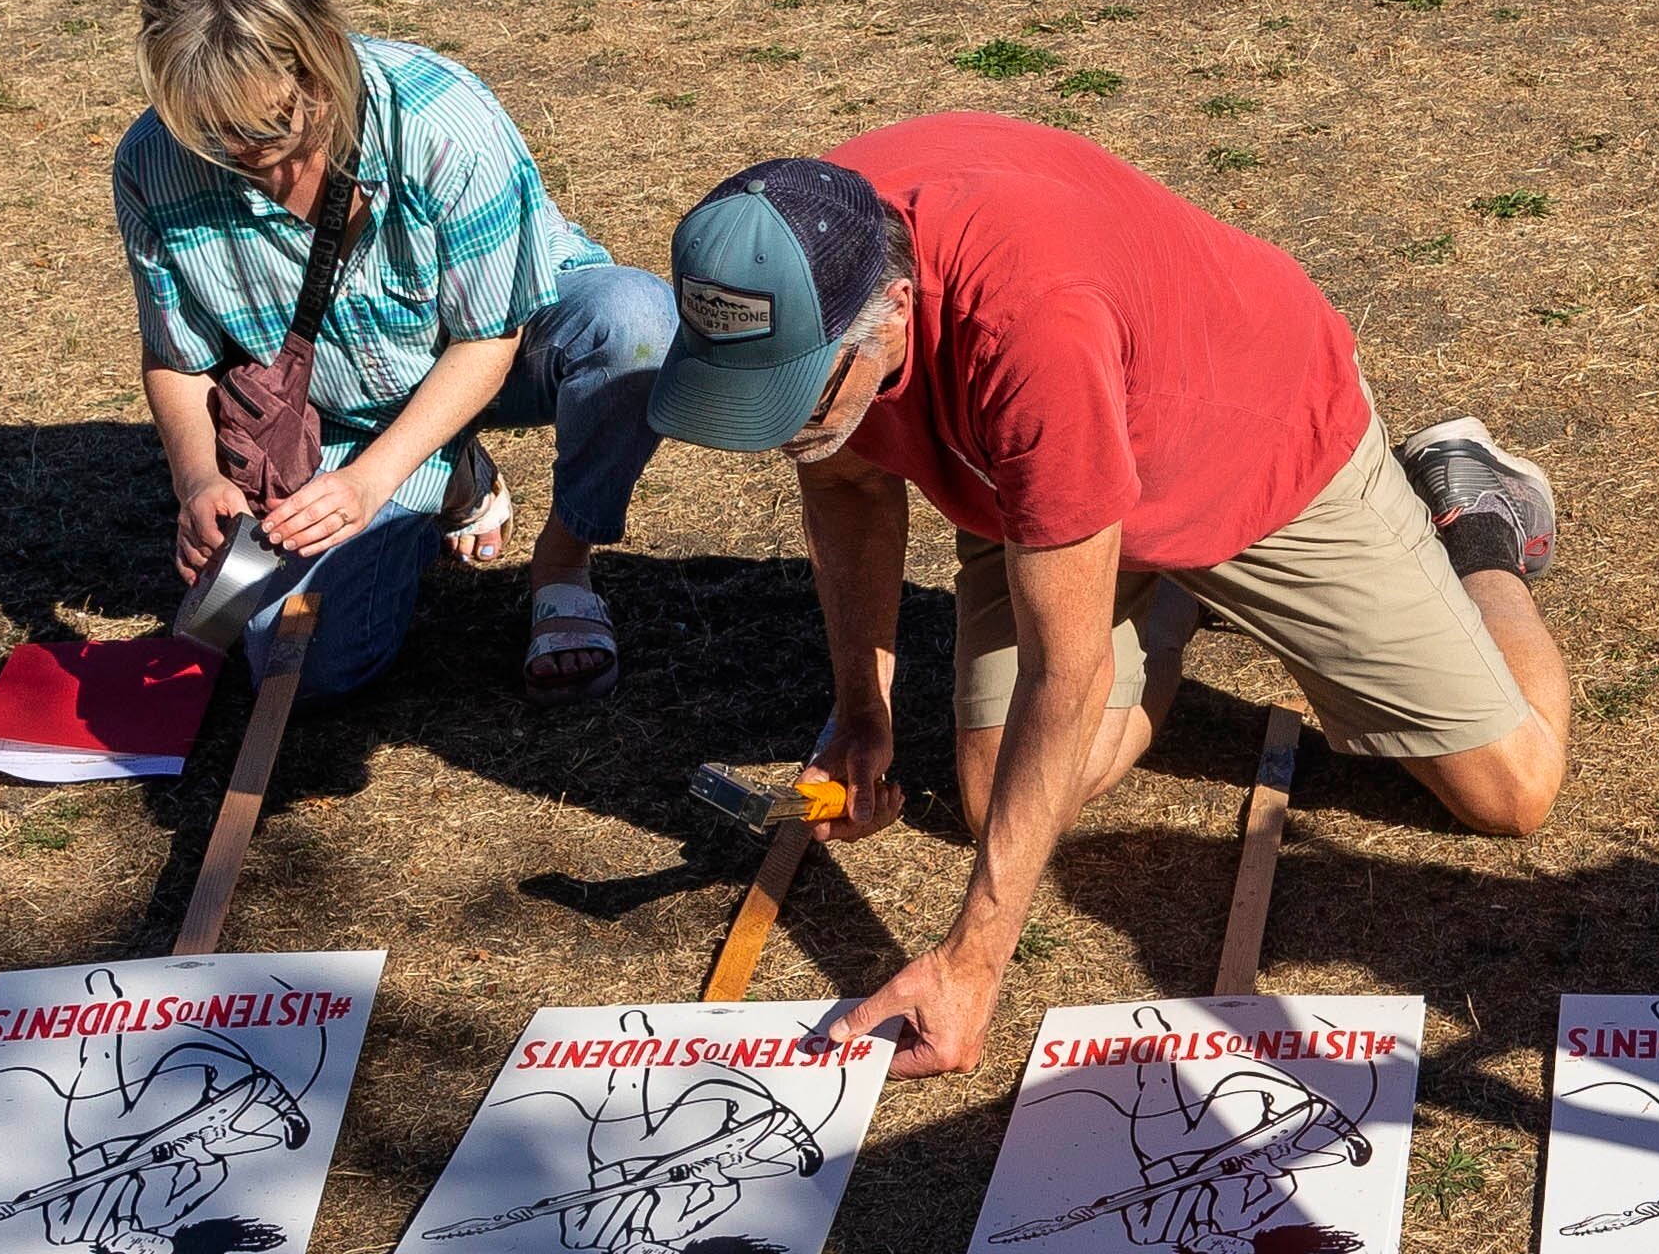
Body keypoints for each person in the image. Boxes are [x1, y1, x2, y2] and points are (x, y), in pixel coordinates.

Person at [647, 122, 1579, 1078]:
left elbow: (1067, 671)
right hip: (1050, 468)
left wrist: (972, 963)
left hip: (1251, 438)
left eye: (805, 395)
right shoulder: (798, 239)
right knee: (992, 798)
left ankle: (1476, 516)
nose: (784, 430)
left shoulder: (1026, 331)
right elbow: (845, 484)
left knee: (1510, 789)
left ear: (895, 306)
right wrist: (860, 714)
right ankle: (1165, 588)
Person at [119, 0, 669, 706]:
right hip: (348, 410)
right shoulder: (150, 163)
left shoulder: (444, 118)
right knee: (298, 664)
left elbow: (489, 334)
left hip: (505, 348)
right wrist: (197, 476)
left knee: (635, 323)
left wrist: (371, 484)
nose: (247, 155)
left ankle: (564, 561)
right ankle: (451, 477)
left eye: (271, 126)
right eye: (211, 132)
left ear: (324, 60)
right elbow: (177, 355)